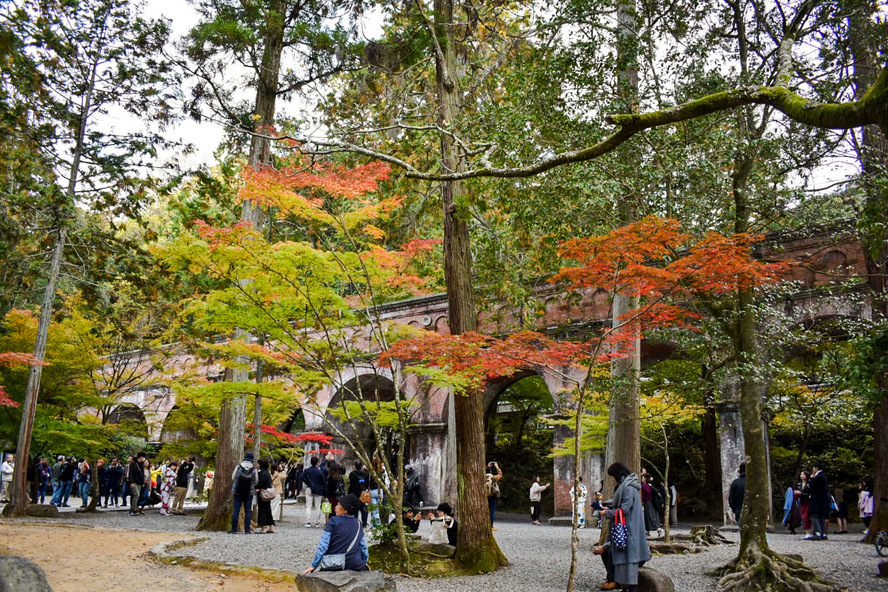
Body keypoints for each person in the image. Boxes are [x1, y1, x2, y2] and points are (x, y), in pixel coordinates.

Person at [592, 462, 652, 592]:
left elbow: (624, 509)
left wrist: (606, 513)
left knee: (628, 561)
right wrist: (608, 506)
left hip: (628, 530)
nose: (612, 479)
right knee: (617, 555)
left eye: (613, 476)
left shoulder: (628, 488)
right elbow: (621, 503)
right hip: (626, 528)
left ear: (618, 475)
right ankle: (621, 584)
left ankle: (625, 585)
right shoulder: (627, 486)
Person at [303, 493, 369, 574]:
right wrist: (365, 561)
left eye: (338, 505)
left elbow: (323, 545)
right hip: (355, 563)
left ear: (345, 510)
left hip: (334, 564)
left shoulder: (333, 521)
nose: (336, 507)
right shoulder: (358, 523)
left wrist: (314, 565)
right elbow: (363, 546)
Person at [229, 452, 258, 534]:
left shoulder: (238, 467)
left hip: (237, 491)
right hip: (249, 492)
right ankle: (247, 529)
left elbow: (233, 477)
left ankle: (234, 529)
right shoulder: (254, 469)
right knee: (248, 511)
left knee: (236, 510)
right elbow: (256, 481)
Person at [301, 456, 327, 528]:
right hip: (318, 489)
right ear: (317, 463)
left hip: (309, 488)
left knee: (308, 505)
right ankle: (317, 523)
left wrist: (307, 482)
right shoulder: (320, 472)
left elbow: (301, 477)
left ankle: (308, 522)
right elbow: (323, 482)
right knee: (318, 506)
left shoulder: (307, 470)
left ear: (310, 462)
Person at [807, 461, 829, 540]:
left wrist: (811, 479)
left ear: (816, 468)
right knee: (821, 517)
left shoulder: (818, 477)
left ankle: (817, 532)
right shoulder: (824, 476)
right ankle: (823, 533)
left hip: (816, 499)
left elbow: (811, 485)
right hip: (822, 500)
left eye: (813, 468)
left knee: (814, 516)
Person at [347, 460, 370, 527]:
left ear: (355, 466)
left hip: (354, 492)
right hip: (364, 492)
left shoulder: (352, 474)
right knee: (364, 509)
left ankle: (355, 522)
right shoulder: (366, 474)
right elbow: (367, 483)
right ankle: (364, 523)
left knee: (355, 508)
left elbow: (351, 483)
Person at [256, 458, 276, 534]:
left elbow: (260, 484)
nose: (257, 465)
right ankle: (271, 526)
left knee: (262, 510)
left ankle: (263, 527)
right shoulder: (267, 473)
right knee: (268, 509)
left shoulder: (262, 473)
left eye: (258, 463)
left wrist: (255, 487)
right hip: (268, 493)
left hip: (263, 493)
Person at [485, 461, 503, 529]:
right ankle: (491, 525)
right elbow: (500, 475)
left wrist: (487, 466)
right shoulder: (492, 478)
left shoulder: (481, 477)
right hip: (492, 495)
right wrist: (497, 467)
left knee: (485, 510)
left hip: (484, 496)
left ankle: (485, 524)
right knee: (491, 510)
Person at [797, 470, 812, 535]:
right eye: (801, 474)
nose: (802, 476)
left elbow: (810, 493)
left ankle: (808, 531)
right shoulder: (799, 484)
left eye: (803, 474)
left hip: (808, 502)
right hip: (801, 502)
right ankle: (806, 531)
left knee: (806, 517)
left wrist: (801, 493)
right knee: (803, 516)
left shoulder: (809, 484)